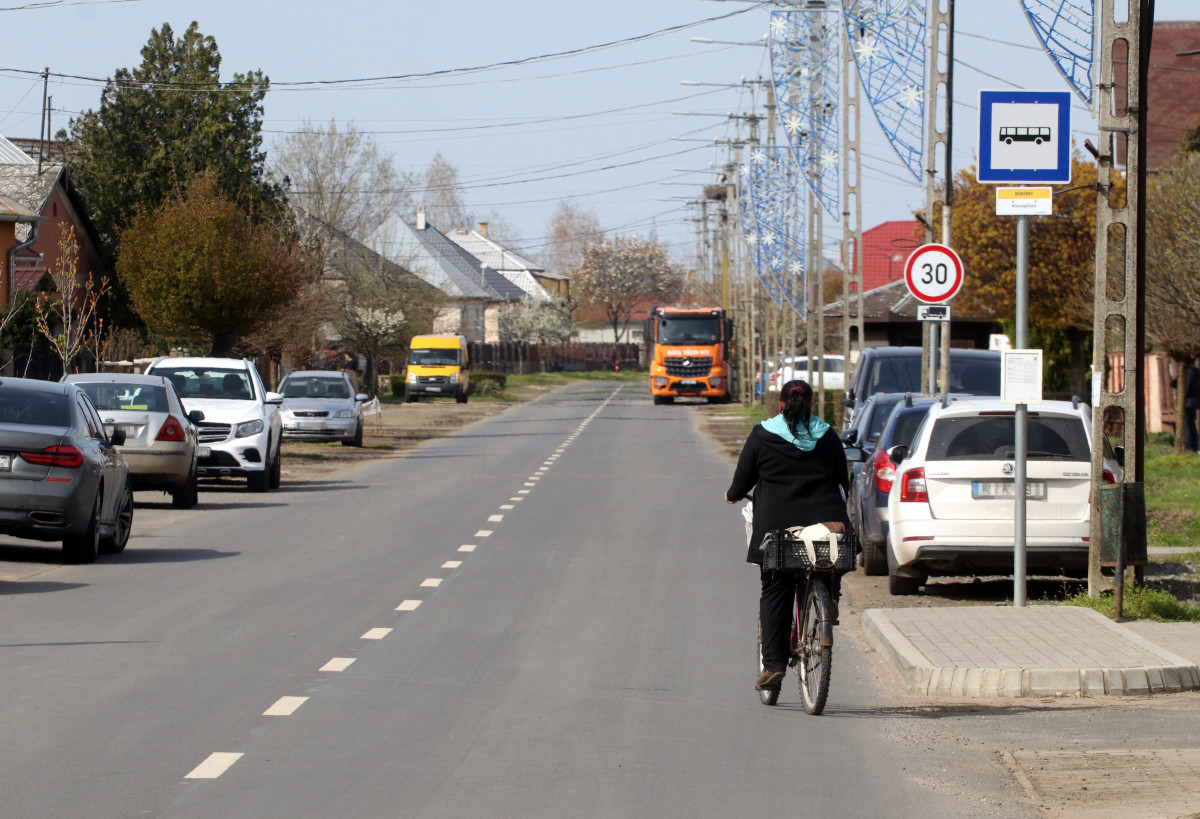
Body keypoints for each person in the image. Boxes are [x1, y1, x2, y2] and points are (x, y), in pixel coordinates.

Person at [725, 379, 851, 695]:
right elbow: (842, 478)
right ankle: (829, 599)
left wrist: (733, 494)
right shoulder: (827, 435)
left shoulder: (762, 435)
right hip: (825, 522)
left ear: (780, 404)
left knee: (775, 588)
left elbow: (743, 479)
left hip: (777, 528)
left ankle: (774, 666)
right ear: (810, 405)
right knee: (829, 560)